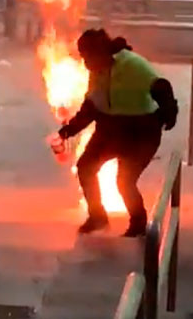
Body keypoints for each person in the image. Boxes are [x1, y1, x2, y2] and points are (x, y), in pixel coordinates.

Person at [58, 29, 178, 236]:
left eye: (89, 57)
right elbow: (91, 106)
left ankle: (138, 223)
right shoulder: (97, 71)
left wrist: (168, 113)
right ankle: (97, 217)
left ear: (103, 52)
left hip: (140, 131)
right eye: (83, 57)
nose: (86, 63)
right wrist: (69, 130)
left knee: (125, 180)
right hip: (109, 129)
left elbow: (161, 87)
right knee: (85, 167)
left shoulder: (132, 65)